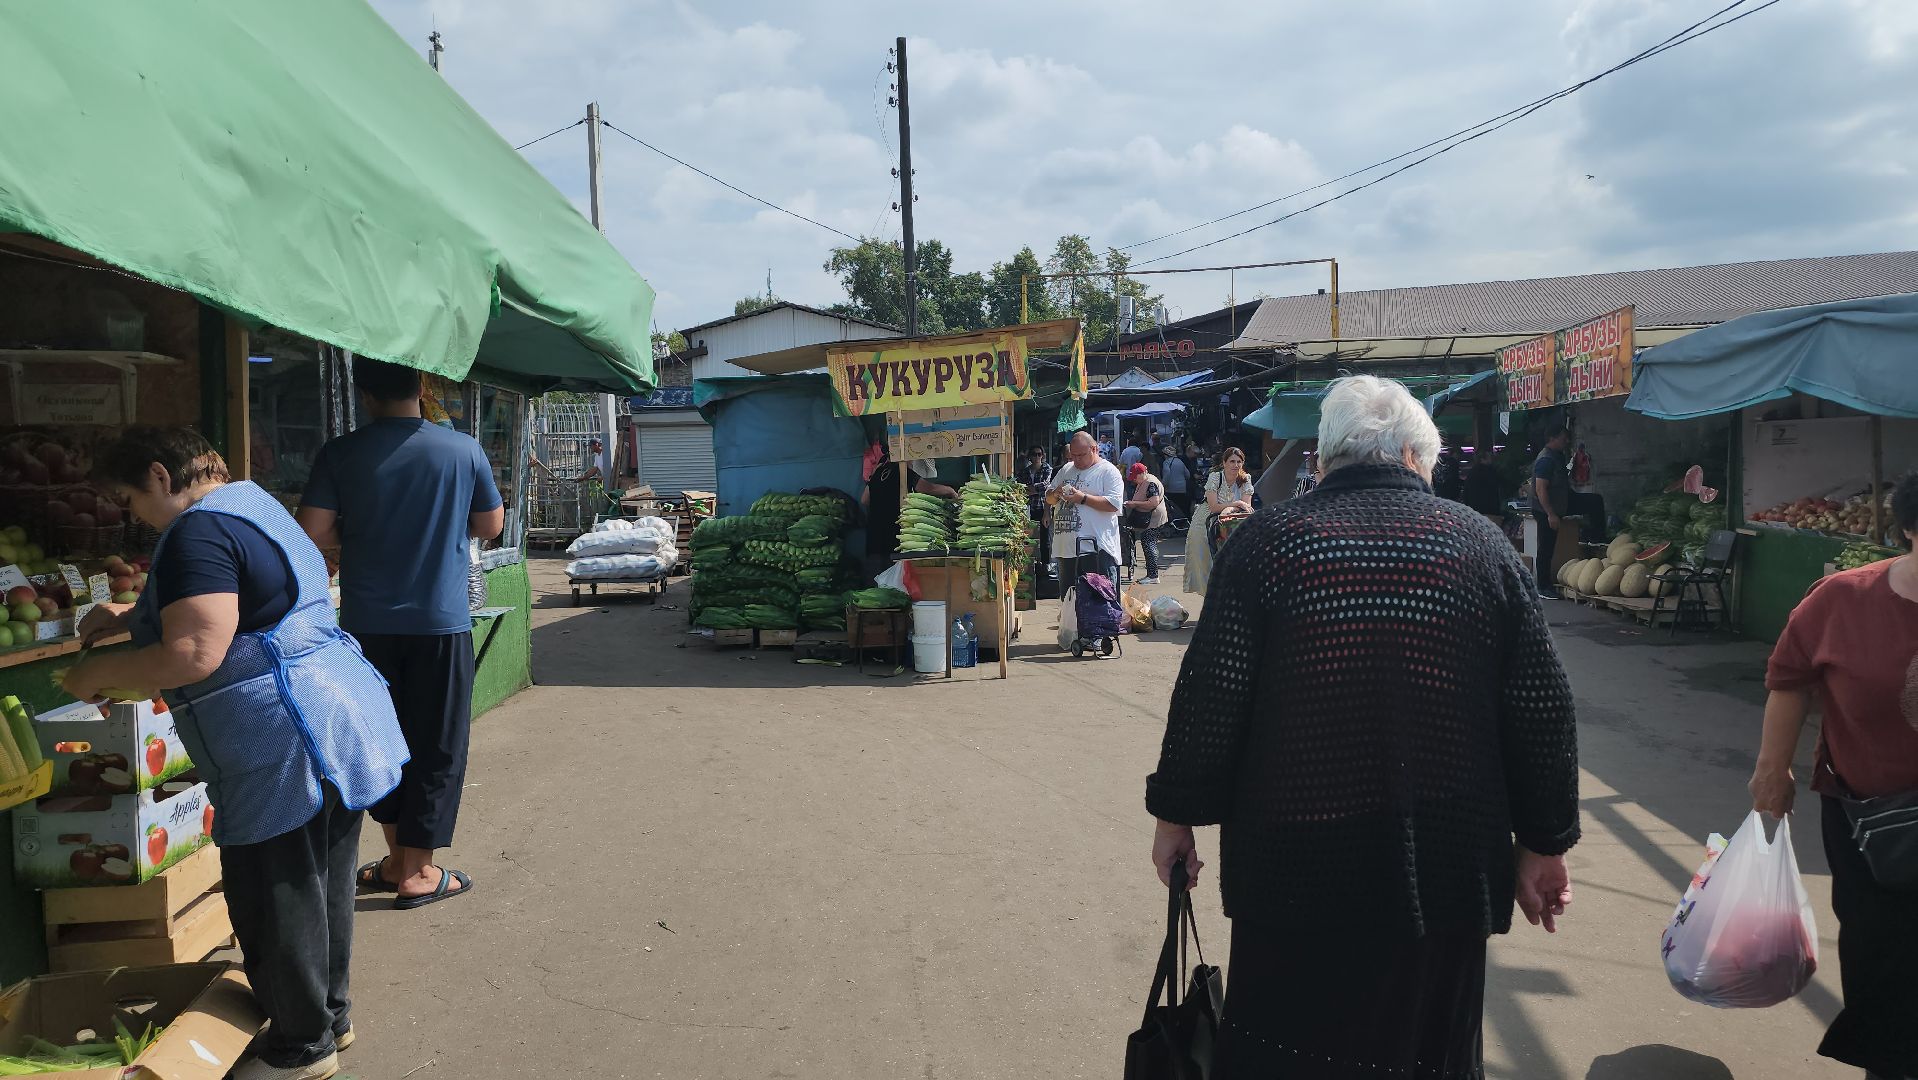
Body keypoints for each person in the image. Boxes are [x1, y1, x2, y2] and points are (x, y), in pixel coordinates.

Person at [1147, 375, 1579, 1080]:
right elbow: (1539, 707)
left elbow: (1211, 697)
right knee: (1427, 1055)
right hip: (1445, 868)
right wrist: (1543, 844)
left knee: (1289, 1055)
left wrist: (1176, 820)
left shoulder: (1265, 544)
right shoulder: (1483, 547)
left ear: (1327, 455)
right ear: (1417, 455)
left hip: (1294, 869)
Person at [64, 427, 408, 1080]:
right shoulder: (252, 506)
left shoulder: (196, 532)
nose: (135, 518)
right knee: (321, 886)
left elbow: (195, 651)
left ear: (161, 478)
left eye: (131, 501)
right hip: (337, 720)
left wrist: (96, 676)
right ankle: (329, 1019)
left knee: (274, 897)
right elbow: (243, 597)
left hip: (282, 739)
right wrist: (135, 614)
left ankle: (301, 1049)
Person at [297, 357, 503, 911]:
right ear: (422, 387)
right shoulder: (463, 450)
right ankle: (418, 871)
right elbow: (490, 525)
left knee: (378, 739)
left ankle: (395, 859)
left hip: (366, 627)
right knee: (437, 742)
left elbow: (312, 531)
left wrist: (359, 532)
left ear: (363, 395)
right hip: (440, 623)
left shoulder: (340, 453)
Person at [1750, 469, 1918, 1080]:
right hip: (1869, 824)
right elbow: (1788, 679)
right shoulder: (1843, 600)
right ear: (1908, 530)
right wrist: (1773, 774)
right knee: (1884, 960)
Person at [860, 443, 956, 578]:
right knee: (894, 584)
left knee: (876, 586)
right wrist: (950, 491)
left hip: (874, 539)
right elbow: (928, 488)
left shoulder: (879, 472)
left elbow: (864, 499)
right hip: (893, 539)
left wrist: (881, 496)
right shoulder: (904, 472)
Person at [1046, 431, 1124, 592]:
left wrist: (1082, 498)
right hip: (1065, 549)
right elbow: (1049, 498)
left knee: (1099, 603)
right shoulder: (1067, 469)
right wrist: (1055, 494)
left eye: (1081, 455)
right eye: (1072, 455)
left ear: (1094, 449)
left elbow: (1114, 504)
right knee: (1069, 601)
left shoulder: (1108, 471)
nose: (1076, 459)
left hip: (1096, 549)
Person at [1182, 446, 1255, 595]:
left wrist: (1232, 508)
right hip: (1206, 519)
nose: (1235, 465)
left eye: (1239, 461)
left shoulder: (1245, 479)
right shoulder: (1215, 477)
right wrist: (1237, 504)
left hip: (1231, 521)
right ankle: (1209, 596)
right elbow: (1214, 507)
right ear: (1224, 463)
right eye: (1232, 461)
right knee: (1204, 559)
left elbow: (1247, 507)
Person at [1530, 425, 1572, 598]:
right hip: (1544, 510)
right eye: (1563, 438)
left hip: (1553, 507)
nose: (1566, 442)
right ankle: (1543, 586)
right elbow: (1541, 489)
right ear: (1552, 439)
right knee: (1545, 549)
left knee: (1594, 501)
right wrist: (1551, 514)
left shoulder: (1556, 456)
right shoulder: (1546, 459)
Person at [1121, 461, 1168, 584]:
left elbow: (1153, 502)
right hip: (1150, 518)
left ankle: (1153, 575)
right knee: (1147, 543)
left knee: (1149, 544)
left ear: (1142, 473)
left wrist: (1134, 503)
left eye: (1135, 477)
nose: (1134, 480)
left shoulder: (1150, 483)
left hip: (1154, 519)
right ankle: (1152, 574)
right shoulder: (1145, 480)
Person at [1017, 445, 1054, 567]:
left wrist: (1030, 489)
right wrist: (1034, 489)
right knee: (1028, 535)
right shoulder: (1025, 471)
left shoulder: (1047, 469)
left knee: (1045, 537)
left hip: (1044, 507)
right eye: (1034, 454)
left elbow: (1045, 486)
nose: (1037, 456)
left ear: (1043, 455)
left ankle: (1046, 564)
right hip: (1028, 508)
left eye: (1039, 454)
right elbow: (1019, 487)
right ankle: (1029, 564)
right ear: (1029, 457)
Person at [1160, 448, 1191, 523]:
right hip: (1182, 488)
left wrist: (1162, 485)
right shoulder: (1180, 462)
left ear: (1166, 455)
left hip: (1171, 489)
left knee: (1172, 507)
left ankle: (1174, 522)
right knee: (1181, 506)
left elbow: (1167, 475)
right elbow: (1188, 475)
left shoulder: (1167, 462)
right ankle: (1183, 522)